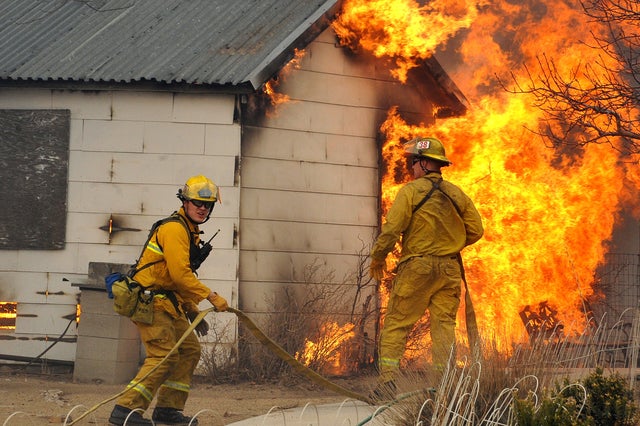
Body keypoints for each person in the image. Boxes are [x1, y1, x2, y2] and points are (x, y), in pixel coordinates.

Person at [109, 175, 229, 426]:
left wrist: (191, 309)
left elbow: (175, 280)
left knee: (189, 350)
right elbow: (180, 275)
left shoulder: (190, 230)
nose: (202, 208)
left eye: (207, 205)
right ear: (184, 202)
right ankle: (125, 412)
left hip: (167, 301)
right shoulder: (175, 229)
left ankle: (167, 410)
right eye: (196, 202)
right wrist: (211, 296)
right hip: (150, 302)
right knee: (163, 355)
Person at [368, 137, 483, 399]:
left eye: (414, 162)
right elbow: (476, 230)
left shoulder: (410, 192)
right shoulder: (456, 193)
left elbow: (392, 229)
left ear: (424, 163)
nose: (412, 167)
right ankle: (444, 386)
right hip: (450, 270)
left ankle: (387, 383)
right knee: (443, 327)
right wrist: (450, 244)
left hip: (417, 267)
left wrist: (378, 258)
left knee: (397, 324)